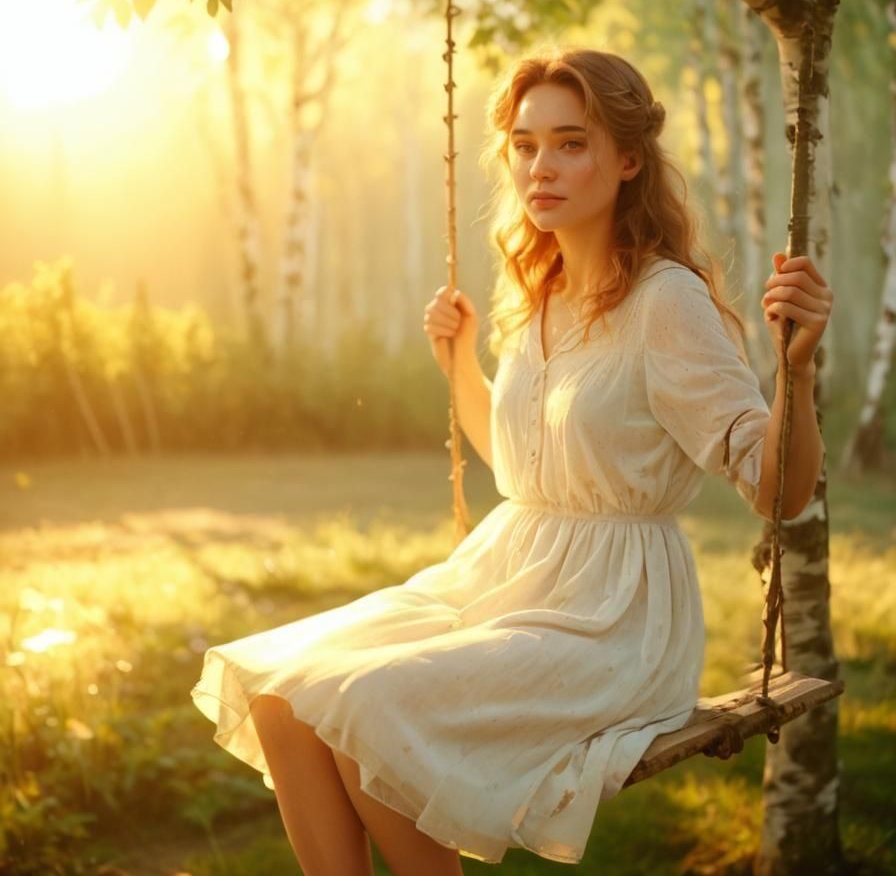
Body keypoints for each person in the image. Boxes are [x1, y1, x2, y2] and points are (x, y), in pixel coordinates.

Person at [190, 47, 833, 876]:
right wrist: (460, 368)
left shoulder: (665, 300)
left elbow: (776, 488)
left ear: (628, 160)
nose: (541, 166)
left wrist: (799, 372)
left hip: (612, 616)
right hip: (507, 572)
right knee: (282, 697)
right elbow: (522, 469)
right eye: (526, 146)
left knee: (366, 711)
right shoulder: (539, 291)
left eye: (571, 142)